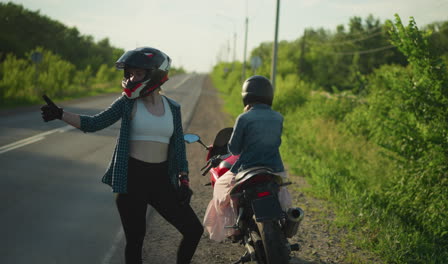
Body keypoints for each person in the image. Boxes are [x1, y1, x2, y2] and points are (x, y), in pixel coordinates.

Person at [40, 47, 203, 264]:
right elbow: (94, 123)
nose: (131, 78)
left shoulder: (173, 108)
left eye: (138, 73)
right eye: (129, 73)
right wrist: (60, 114)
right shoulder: (127, 104)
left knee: (193, 230)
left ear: (154, 73)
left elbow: (179, 148)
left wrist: (183, 179)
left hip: (161, 181)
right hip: (131, 181)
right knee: (136, 241)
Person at [203, 75, 292, 242]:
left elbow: (234, 148)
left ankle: (234, 229)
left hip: (246, 168)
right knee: (280, 189)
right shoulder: (278, 117)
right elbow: (276, 142)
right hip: (274, 168)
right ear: (269, 95)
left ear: (246, 96)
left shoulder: (244, 118)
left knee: (221, 187)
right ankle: (286, 219)